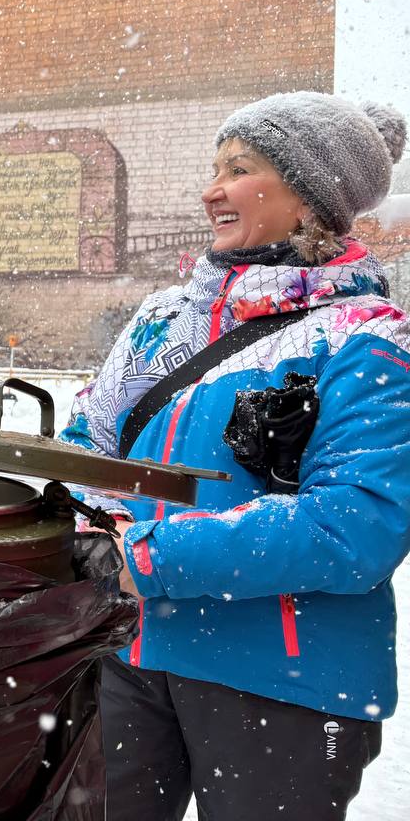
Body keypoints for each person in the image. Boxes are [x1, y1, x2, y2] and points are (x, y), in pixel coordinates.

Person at [59, 92, 410, 820]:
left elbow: (357, 524)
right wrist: (92, 531)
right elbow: (83, 447)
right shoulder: (162, 321)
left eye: (239, 169)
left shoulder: (366, 338)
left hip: (283, 677)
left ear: (310, 199)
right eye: (214, 168)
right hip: (130, 652)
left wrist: (149, 557)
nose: (210, 189)